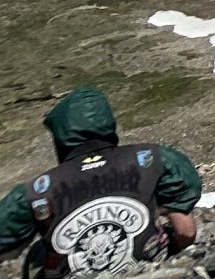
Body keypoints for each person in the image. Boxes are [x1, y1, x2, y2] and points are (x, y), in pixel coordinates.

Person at [0, 89, 202, 278]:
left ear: (60, 134)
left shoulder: (35, 190)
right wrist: (172, 257)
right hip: (147, 268)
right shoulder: (153, 158)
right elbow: (187, 231)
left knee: (36, 254)